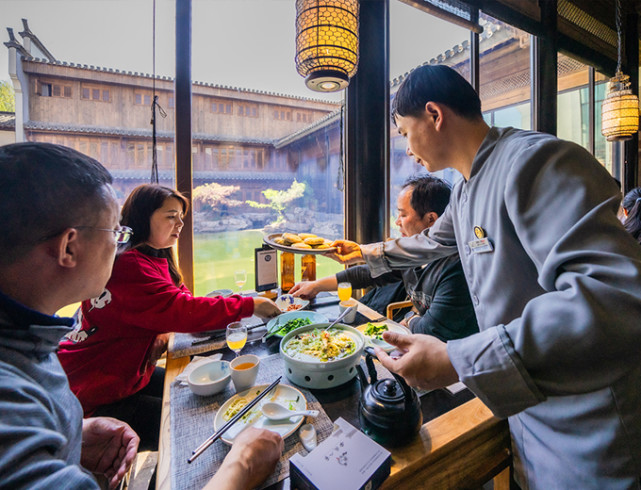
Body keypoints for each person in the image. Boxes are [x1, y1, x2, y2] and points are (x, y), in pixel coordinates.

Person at [326, 65, 641, 489]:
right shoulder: (465, 189)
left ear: (434, 115)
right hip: (521, 410)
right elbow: (428, 243)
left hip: (585, 424)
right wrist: (364, 251)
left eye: (403, 132)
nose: (406, 149)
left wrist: (458, 360)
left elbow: (610, 297)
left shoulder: (535, 161)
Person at [0, 142, 283, 489]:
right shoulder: (12, 395)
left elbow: (165, 308)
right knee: (200, 427)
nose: (120, 244)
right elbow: (180, 309)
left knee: (195, 396)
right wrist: (241, 464)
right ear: (68, 247)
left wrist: (73, 434)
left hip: (115, 381)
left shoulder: (28, 346)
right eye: (114, 233)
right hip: (104, 388)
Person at [58, 183, 281, 450]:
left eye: (181, 218)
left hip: (126, 373)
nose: (180, 223)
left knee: (200, 392)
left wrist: (164, 329)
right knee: (192, 430)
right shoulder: (130, 265)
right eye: (170, 216)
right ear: (143, 216)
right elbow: (184, 311)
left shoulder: (150, 256)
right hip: (97, 389)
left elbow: (177, 301)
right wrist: (250, 305)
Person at [290, 175, 478, 341]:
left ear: (431, 220)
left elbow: (433, 329)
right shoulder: (409, 255)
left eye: (403, 215)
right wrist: (316, 286)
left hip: (452, 364)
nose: (397, 222)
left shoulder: (456, 269)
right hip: (421, 341)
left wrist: (409, 319)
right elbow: (366, 274)